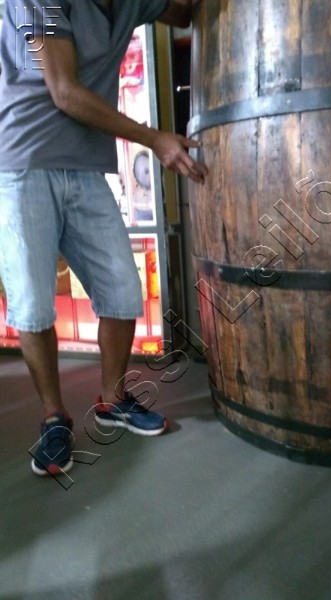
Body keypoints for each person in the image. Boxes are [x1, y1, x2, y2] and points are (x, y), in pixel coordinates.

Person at [0, 0, 207, 477]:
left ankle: (112, 399)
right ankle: (54, 417)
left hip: (86, 166)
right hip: (24, 162)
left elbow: (183, 13)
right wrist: (154, 139)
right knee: (32, 305)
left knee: (122, 289)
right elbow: (65, 91)